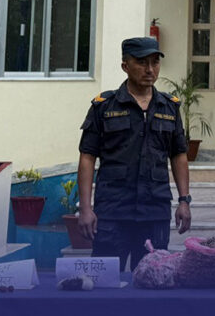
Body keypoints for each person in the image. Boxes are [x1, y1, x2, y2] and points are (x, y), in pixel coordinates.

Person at [77, 37, 191, 271]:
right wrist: (86, 208)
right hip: (112, 211)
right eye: (141, 62)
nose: (150, 69)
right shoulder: (104, 106)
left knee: (152, 279)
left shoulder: (169, 107)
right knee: (106, 281)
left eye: (155, 62)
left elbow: (179, 155)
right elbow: (87, 157)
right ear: (125, 66)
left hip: (154, 211)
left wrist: (184, 200)